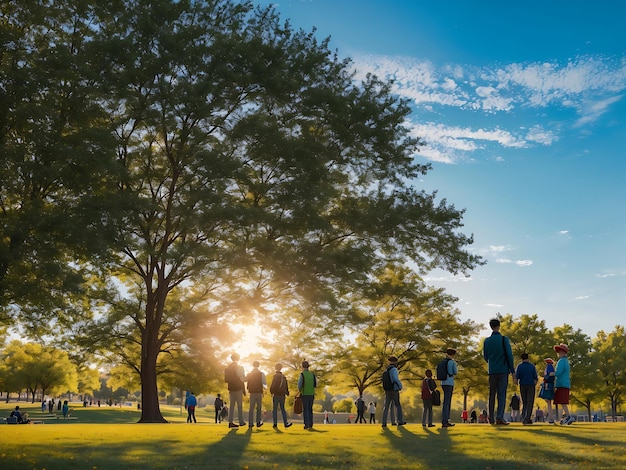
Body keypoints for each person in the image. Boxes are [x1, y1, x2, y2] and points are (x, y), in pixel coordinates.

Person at [483, 318, 515, 425]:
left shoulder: (487, 341)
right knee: (501, 395)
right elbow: (509, 356)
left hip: (492, 370)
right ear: (499, 326)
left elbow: (485, 356)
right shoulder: (504, 339)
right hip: (503, 370)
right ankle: (499, 417)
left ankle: (490, 417)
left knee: (492, 394)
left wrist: (491, 363)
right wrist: (512, 370)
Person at [381, 356, 406, 428]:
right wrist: (400, 386)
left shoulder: (386, 370)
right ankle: (400, 421)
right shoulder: (394, 369)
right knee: (397, 405)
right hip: (394, 389)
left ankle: (384, 422)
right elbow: (395, 379)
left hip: (387, 390)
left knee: (386, 406)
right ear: (395, 362)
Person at [515, 352, 538, 425]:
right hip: (531, 385)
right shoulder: (532, 366)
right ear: (528, 358)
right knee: (530, 402)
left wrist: (517, 383)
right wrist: (534, 384)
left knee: (524, 402)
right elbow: (535, 378)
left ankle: (524, 417)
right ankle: (527, 418)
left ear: (521, 359)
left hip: (522, 385)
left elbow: (516, 378)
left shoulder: (519, 366)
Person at [553, 343, 574, 425]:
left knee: (563, 402)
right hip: (565, 384)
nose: (558, 353)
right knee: (562, 401)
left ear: (562, 352)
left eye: (559, 351)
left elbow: (558, 372)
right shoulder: (566, 361)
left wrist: (551, 373)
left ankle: (568, 416)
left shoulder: (562, 361)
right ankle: (565, 417)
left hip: (562, 384)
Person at [225, 352, 246, 428]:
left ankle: (230, 422)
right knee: (239, 406)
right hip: (238, 388)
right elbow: (242, 379)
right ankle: (241, 421)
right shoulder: (240, 367)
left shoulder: (228, 368)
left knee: (231, 406)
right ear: (238, 358)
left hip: (231, 388)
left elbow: (226, 379)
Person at [269, 362, 293, 429]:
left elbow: (273, 385)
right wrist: (287, 392)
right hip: (282, 395)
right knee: (283, 409)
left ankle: (275, 423)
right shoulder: (283, 377)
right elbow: (286, 386)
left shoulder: (275, 376)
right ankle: (285, 423)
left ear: (275, 368)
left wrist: (271, 391)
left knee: (275, 409)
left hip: (276, 394)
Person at [440, 348, 458, 428]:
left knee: (445, 402)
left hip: (443, 382)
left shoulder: (442, 361)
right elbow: (454, 372)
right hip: (449, 382)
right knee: (447, 402)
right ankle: (445, 420)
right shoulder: (451, 362)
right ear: (453, 354)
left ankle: (445, 420)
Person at [246, 360, 266, 428]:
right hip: (259, 392)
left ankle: (250, 423)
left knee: (251, 408)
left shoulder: (249, 374)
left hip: (252, 392)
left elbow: (248, 383)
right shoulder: (261, 374)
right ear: (258, 365)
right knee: (259, 408)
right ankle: (258, 422)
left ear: (253, 365)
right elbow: (264, 383)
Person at [298, 360, 317, 430]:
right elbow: (315, 385)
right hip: (311, 394)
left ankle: (306, 424)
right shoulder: (312, 375)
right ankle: (311, 424)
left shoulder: (302, 374)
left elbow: (299, 385)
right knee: (310, 409)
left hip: (305, 393)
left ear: (302, 366)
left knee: (305, 409)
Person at [541, 358, 556, 423]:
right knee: (548, 402)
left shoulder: (549, 367)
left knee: (548, 401)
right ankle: (551, 417)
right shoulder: (551, 367)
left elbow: (550, 374)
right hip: (549, 384)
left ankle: (551, 418)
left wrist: (545, 379)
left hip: (547, 384)